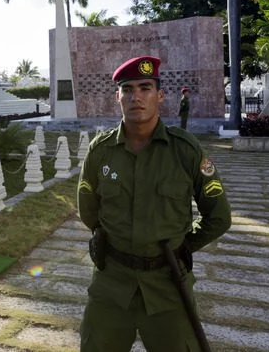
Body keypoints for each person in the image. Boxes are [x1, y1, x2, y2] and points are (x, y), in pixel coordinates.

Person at [77, 56, 231, 351]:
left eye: (145, 88)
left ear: (160, 95)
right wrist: (108, 237)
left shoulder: (185, 150)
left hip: (168, 286)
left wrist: (183, 246)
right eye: (128, 89)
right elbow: (88, 208)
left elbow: (219, 216)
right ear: (118, 97)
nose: (136, 96)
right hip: (112, 285)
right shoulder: (101, 151)